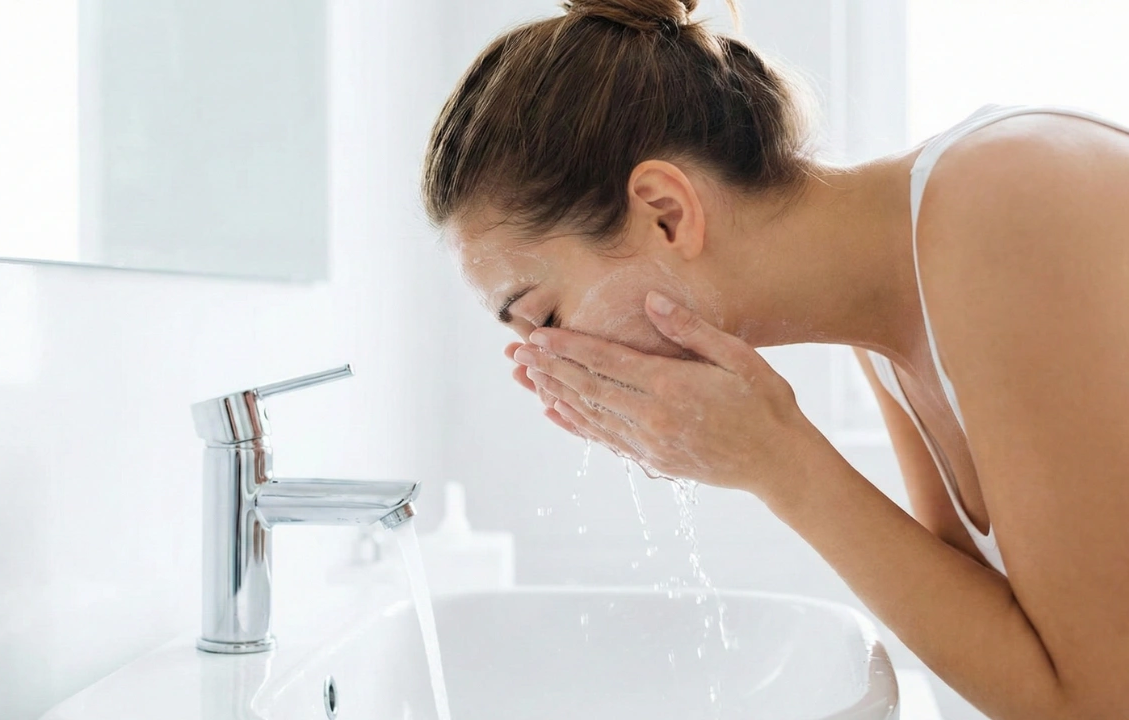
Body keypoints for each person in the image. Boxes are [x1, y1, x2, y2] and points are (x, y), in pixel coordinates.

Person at [421, 0, 1129, 717]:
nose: (552, 363)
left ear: (666, 212)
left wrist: (778, 459)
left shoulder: (1003, 205)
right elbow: (998, 659)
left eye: (545, 317)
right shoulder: (886, 313)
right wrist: (771, 458)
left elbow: (1096, 703)